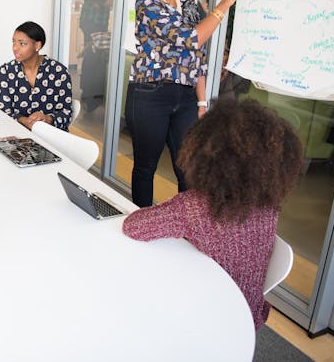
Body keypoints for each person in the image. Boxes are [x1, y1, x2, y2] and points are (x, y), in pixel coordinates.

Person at [122, 98, 303, 330]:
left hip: (205, 320)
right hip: (248, 317)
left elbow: (133, 226)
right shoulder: (268, 208)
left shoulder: (194, 206)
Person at [125, 0, 243, 207]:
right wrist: (225, 3)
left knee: (188, 168)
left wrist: (201, 101)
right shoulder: (147, 4)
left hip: (187, 96)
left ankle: (187, 226)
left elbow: (196, 56)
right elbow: (191, 39)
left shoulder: (189, 5)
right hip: (150, 93)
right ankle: (142, 221)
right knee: (146, 166)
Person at [0, 21, 73, 131]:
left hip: (51, 137)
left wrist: (47, 118)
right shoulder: (6, 72)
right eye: (14, 42)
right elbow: (3, 112)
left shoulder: (59, 72)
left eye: (22, 44)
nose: (15, 48)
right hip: (17, 134)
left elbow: (66, 113)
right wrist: (25, 121)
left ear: (37, 45)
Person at [79, 0, 114, 112]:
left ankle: (90, 94)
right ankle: (90, 94)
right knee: (92, 57)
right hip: (92, 22)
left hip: (98, 21)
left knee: (93, 57)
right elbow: (107, 0)